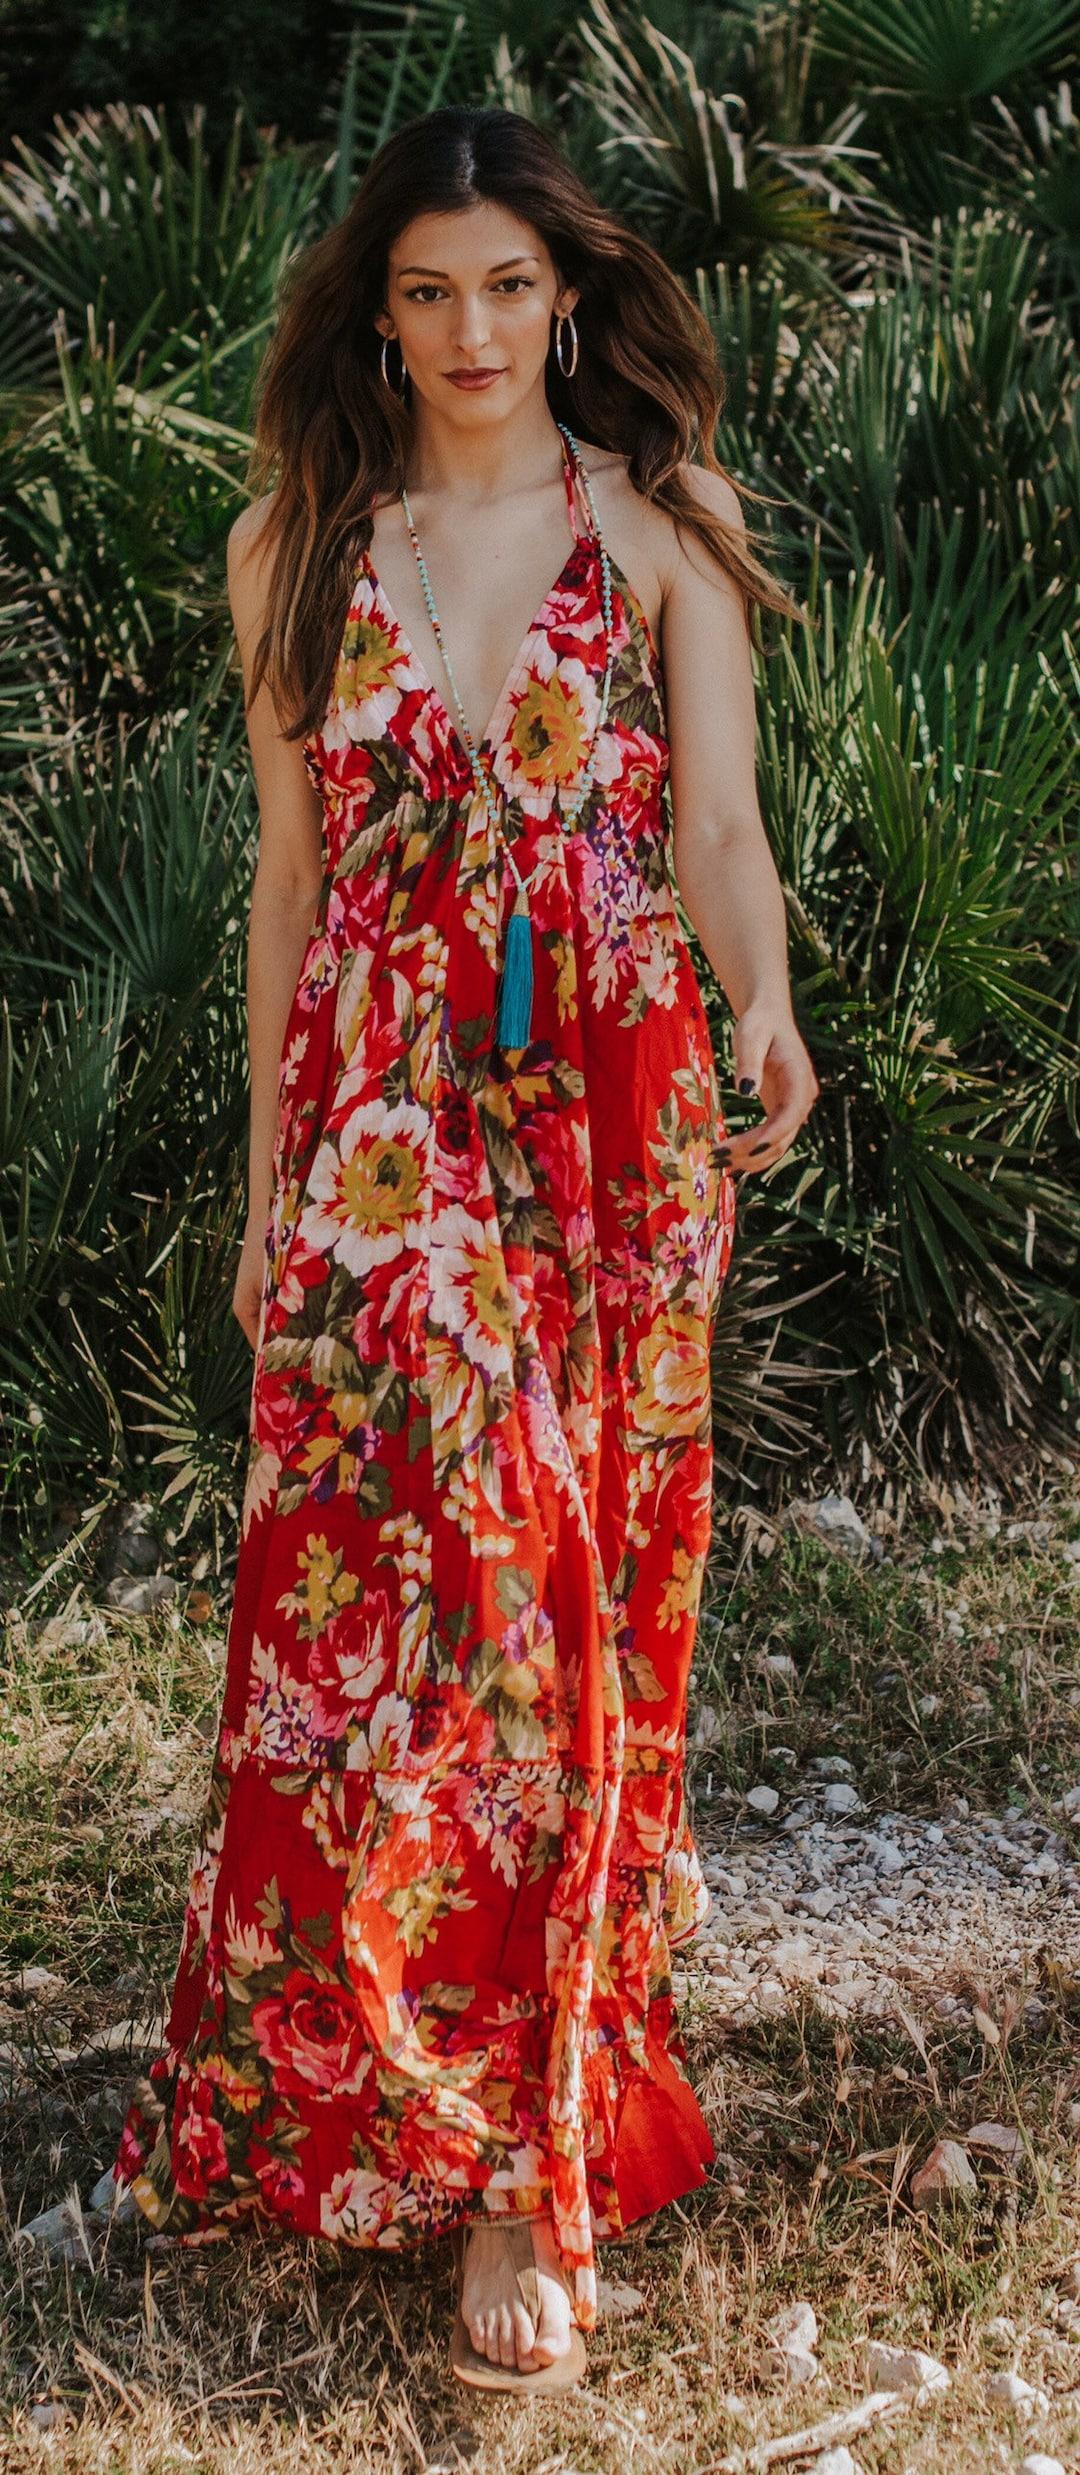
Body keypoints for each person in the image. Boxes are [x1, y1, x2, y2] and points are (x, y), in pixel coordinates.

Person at [112, 103, 819, 2394]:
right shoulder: (298, 540)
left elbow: (717, 821)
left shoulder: (665, 521)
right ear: (380, 312)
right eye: (428, 290)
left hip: (612, 1115)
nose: (472, 328)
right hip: (383, 1134)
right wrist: (263, 1183)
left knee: (576, 1605)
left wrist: (764, 1000)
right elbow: (288, 887)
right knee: (403, 1597)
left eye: (509, 283)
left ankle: (521, 2139)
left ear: (572, 295)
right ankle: (388, 2098)